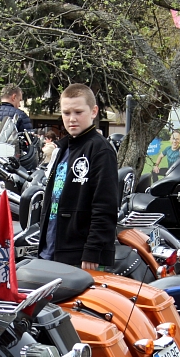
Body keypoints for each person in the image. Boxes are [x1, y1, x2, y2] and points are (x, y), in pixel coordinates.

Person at [37, 84, 118, 270]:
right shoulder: (62, 148)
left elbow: (105, 206)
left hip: (81, 256)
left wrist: (93, 250)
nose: (72, 119)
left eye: (78, 112)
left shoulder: (101, 150)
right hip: (52, 250)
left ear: (94, 111)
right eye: (66, 113)